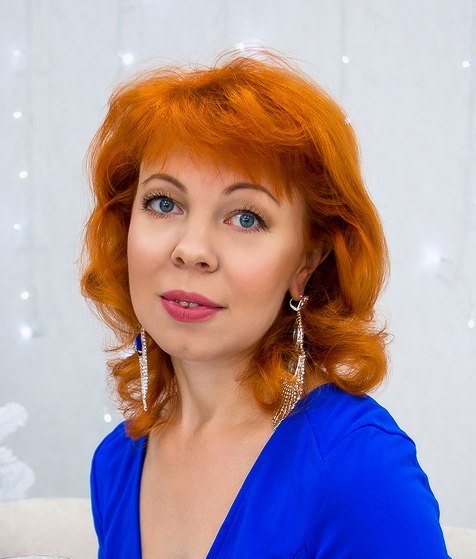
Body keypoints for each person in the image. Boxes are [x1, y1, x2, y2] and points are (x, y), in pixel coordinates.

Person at [81, 49, 450, 558]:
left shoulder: (359, 469)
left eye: (246, 217)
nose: (191, 249)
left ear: (306, 261)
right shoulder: (116, 462)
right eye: (164, 203)